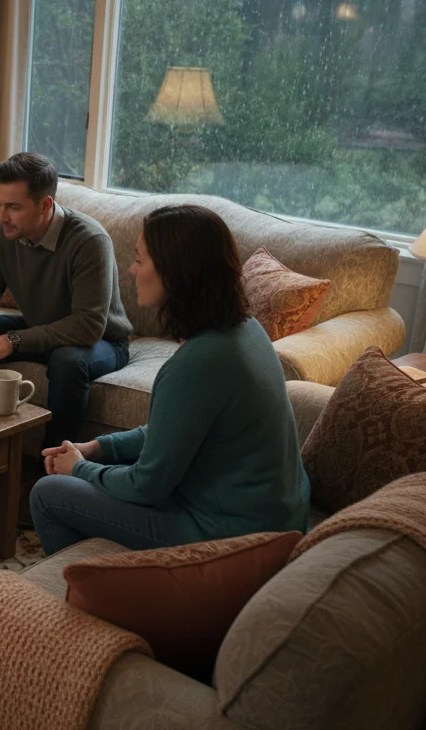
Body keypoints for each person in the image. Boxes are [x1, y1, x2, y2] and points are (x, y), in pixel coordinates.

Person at [30, 204, 311, 554]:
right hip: (276, 517)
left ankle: (97, 593)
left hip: (234, 537)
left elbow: (146, 486)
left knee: (47, 493)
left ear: (175, 274)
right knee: (99, 470)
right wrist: (97, 448)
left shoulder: (196, 364)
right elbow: (172, 432)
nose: (131, 269)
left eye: (139, 259)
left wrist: (80, 469)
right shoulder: (246, 329)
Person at [0, 152, 133, 454]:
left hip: (101, 340)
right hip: (41, 327)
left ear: (45, 205)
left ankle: (52, 467)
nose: (1, 216)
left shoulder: (89, 241)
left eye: (13, 207)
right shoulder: (2, 234)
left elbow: (88, 326)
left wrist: (12, 340)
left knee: (68, 361)